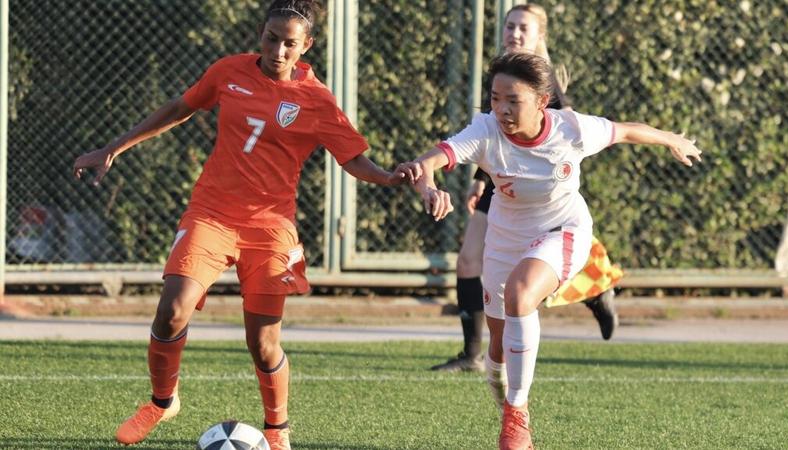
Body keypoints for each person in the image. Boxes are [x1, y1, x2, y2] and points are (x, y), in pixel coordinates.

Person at [72, 1, 410, 448]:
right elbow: (180, 107)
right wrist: (114, 148)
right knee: (173, 310)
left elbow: (353, 158)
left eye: (290, 43)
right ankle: (162, 401)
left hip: (271, 228)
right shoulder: (228, 71)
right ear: (261, 33)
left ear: (306, 45)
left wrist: (388, 177)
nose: (279, 50)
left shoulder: (317, 100)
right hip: (212, 213)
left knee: (263, 343)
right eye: (272, 38)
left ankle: (276, 430)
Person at [401, 52, 700, 449]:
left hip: (564, 230)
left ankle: (516, 416)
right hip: (505, 240)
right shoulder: (486, 130)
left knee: (521, 293)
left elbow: (627, 130)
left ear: (542, 101)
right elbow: (429, 161)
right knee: (497, 349)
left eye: (513, 100)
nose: (502, 109)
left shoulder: (572, 129)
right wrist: (429, 187)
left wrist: (672, 140)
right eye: (495, 98)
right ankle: (510, 407)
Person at [432, 3, 621, 374]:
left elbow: (555, 138)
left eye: (523, 28)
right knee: (469, 259)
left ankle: (596, 290)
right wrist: (480, 180)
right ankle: (471, 353)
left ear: (539, 37)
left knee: (533, 268)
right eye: (510, 26)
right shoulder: (502, 70)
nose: (515, 33)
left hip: (538, 189)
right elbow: (493, 139)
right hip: (502, 182)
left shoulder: (540, 80)